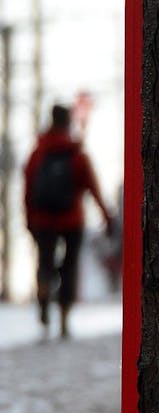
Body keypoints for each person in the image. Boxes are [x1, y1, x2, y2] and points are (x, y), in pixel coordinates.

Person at [23, 104, 113, 339]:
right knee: (69, 267)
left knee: (44, 262)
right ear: (67, 123)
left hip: (43, 219)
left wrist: (28, 218)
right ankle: (63, 319)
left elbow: (28, 186)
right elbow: (92, 185)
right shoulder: (76, 153)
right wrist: (106, 214)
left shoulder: (39, 152)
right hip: (72, 218)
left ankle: (43, 299)